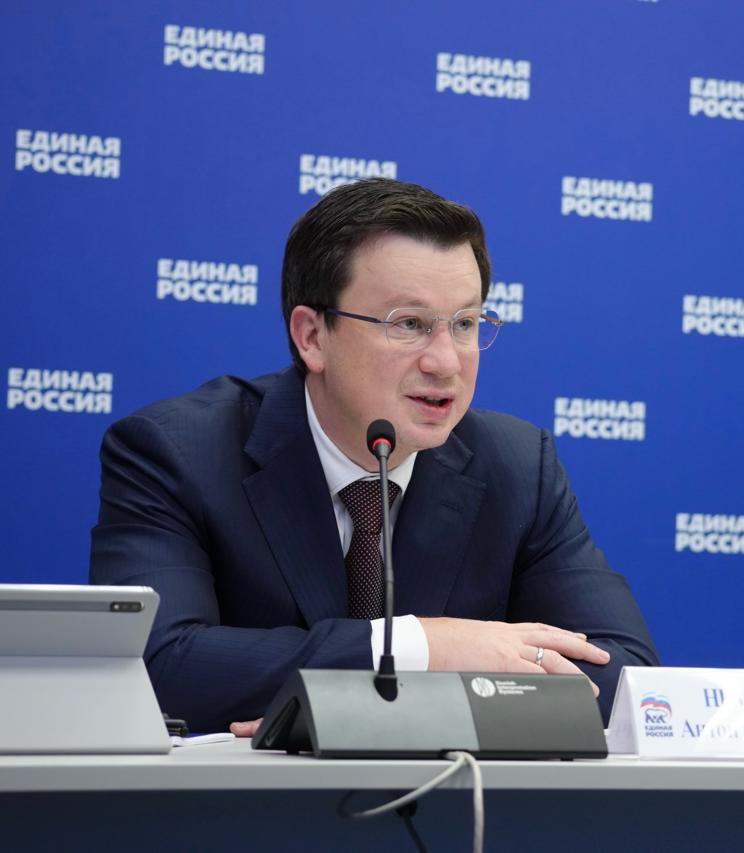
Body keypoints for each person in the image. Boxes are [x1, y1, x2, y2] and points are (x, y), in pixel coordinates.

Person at [90, 178, 658, 734]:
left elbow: (623, 678)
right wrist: (423, 645)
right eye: (409, 324)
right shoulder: (178, 453)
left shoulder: (517, 465)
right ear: (313, 337)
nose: (446, 362)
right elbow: (157, 665)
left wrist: (376, 711)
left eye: (465, 324)